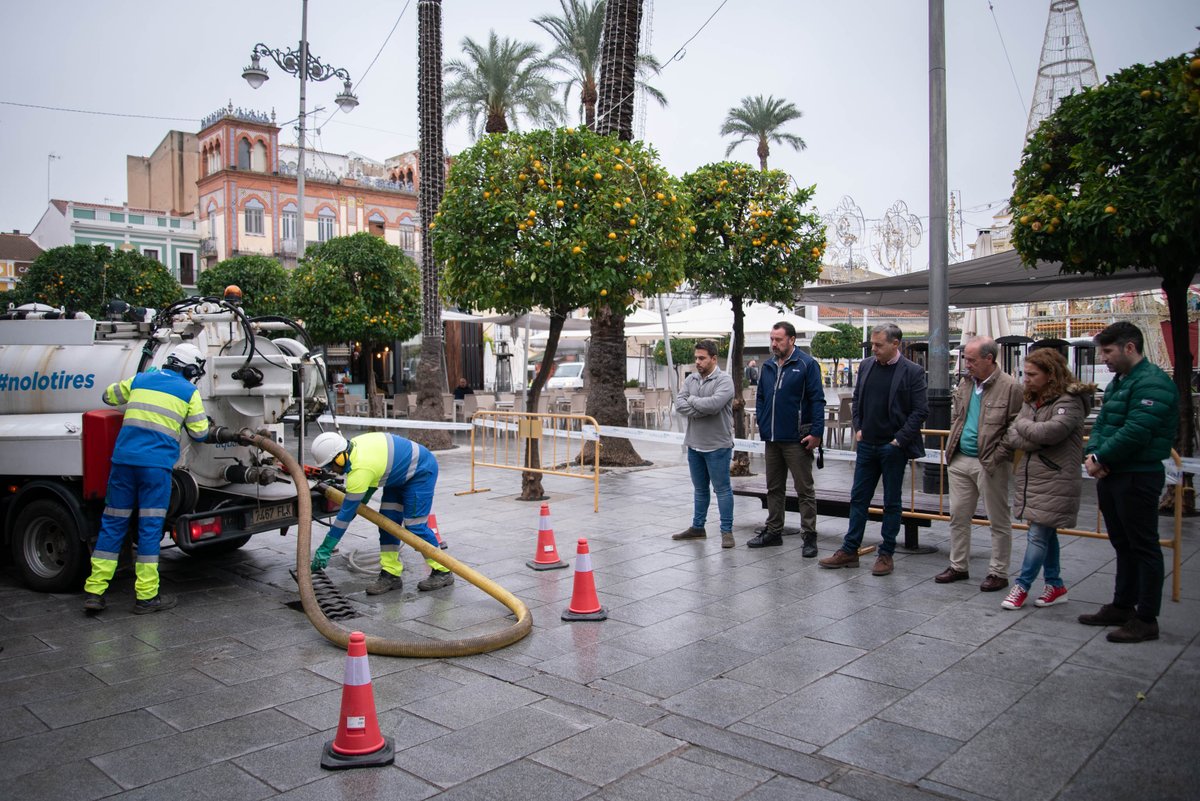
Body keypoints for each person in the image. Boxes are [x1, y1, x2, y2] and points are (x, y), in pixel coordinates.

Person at [83, 343, 210, 614]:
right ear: (189, 368)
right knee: (150, 528)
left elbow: (108, 396)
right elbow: (200, 433)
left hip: (123, 463)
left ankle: (95, 591)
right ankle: (146, 597)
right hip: (155, 468)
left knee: (113, 524)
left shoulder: (140, 379)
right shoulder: (189, 391)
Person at [1080, 322, 1178, 643]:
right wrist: (1095, 454)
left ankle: (1146, 616)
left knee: (1143, 545)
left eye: (1108, 351)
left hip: (1138, 475)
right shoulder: (1120, 382)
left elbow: (1137, 430)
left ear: (1130, 348)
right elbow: (1104, 423)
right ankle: (1122, 604)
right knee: (1123, 543)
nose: (1103, 358)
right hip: (1115, 473)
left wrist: (1101, 458)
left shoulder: (1153, 383)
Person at [819, 323, 927, 575]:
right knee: (858, 498)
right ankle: (849, 549)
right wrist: (858, 427)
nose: (874, 349)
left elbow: (920, 410)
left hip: (892, 447)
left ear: (895, 344)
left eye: (879, 345)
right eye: (872, 344)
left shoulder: (912, 372)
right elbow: (858, 400)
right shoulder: (867, 366)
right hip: (867, 444)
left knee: (891, 501)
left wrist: (899, 440)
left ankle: (886, 553)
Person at [999, 347, 1094, 610]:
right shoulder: (1032, 399)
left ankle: (1022, 585)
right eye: (1024, 373)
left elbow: (1051, 433)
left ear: (1050, 374)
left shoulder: (1069, 401)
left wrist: (1024, 429)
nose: (1025, 379)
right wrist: (1029, 433)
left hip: (1056, 478)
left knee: (1039, 534)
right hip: (1035, 477)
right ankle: (1055, 584)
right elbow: (1013, 435)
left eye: (1031, 374)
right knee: (1045, 531)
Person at [310, 430, 452, 594]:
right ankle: (391, 573)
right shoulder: (354, 449)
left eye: (330, 465)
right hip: (398, 476)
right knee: (387, 523)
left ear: (340, 457)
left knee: (415, 526)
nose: (331, 470)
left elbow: (344, 517)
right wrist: (357, 502)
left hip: (421, 470)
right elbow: (369, 483)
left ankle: (443, 570)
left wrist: (326, 548)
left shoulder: (360, 469)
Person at [935, 337, 1023, 592]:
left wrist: (999, 454)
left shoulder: (1010, 387)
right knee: (958, 516)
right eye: (965, 359)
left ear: (989, 358)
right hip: (960, 457)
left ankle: (999, 571)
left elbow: (1016, 426)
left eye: (972, 360)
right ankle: (958, 565)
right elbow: (958, 415)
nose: (967, 364)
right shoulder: (965, 383)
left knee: (998, 519)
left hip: (990, 462)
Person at [749, 322, 825, 554]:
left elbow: (817, 400)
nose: (774, 344)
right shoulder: (768, 365)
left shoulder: (806, 364)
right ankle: (773, 531)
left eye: (778, 339)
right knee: (774, 487)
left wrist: (817, 433)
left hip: (796, 438)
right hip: (772, 437)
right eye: (772, 339)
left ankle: (809, 536)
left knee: (804, 489)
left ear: (792, 340)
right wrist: (762, 419)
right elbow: (761, 396)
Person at [673, 340, 736, 548]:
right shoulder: (691, 379)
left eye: (702, 358)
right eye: (696, 358)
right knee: (700, 490)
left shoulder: (725, 380)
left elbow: (714, 405)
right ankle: (697, 527)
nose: (697, 362)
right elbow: (679, 403)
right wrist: (698, 405)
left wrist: (692, 401)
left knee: (723, 489)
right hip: (694, 444)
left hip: (718, 446)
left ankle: (726, 532)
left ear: (714, 359)